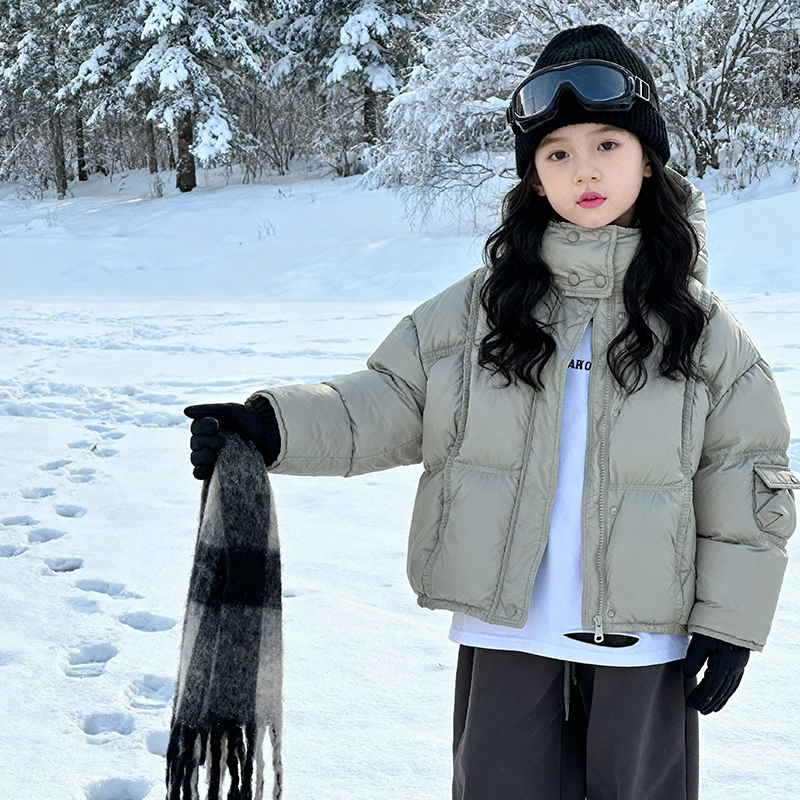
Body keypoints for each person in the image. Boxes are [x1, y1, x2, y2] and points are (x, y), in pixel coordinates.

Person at [184, 24, 797, 800]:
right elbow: (390, 400)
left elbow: (746, 474)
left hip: (648, 637)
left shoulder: (702, 327)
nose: (586, 170)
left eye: (608, 144)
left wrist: (731, 621)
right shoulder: (483, 309)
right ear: (536, 178)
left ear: (649, 159)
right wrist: (270, 426)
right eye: (558, 153)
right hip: (511, 628)